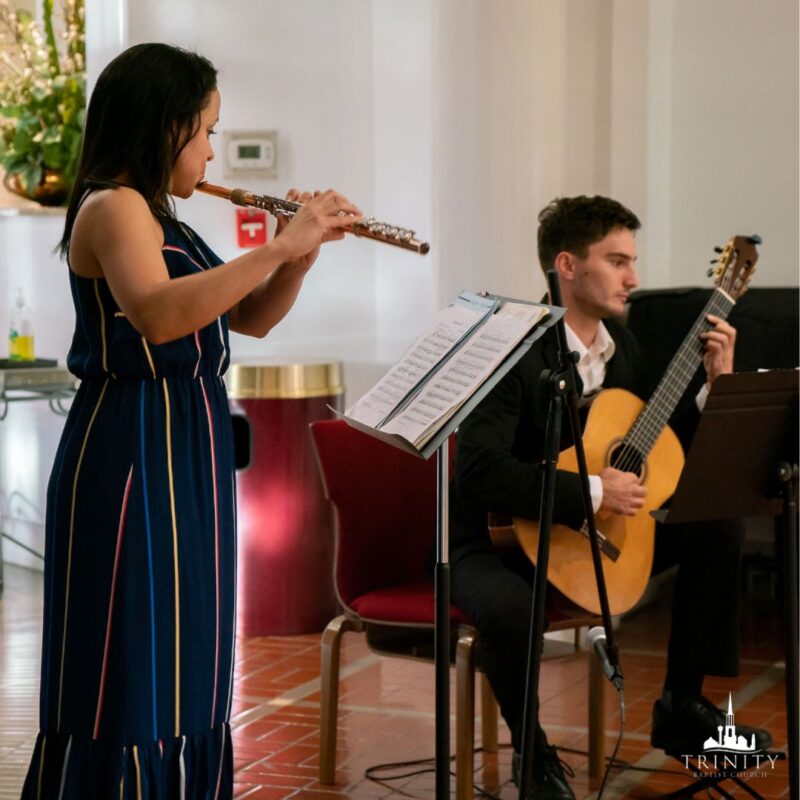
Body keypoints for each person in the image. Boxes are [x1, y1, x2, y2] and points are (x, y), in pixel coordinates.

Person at [21, 43, 361, 799]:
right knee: (134, 660)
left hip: (187, 445)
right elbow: (159, 315)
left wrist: (297, 261)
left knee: (190, 660)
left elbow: (250, 318)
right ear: (164, 125)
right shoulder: (113, 206)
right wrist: (280, 241)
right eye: (205, 130)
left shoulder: (162, 215)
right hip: (131, 446)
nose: (210, 150)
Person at [448, 195, 772, 799]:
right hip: (498, 544)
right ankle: (533, 754)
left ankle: (681, 705)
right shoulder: (513, 352)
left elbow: (657, 447)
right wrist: (595, 489)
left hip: (585, 539)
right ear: (567, 266)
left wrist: (716, 385)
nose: (633, 278)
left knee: (716, 526)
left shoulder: (623, 348)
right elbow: (480, 472)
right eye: (617, 261)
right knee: (511, 609)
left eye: (632, 261)